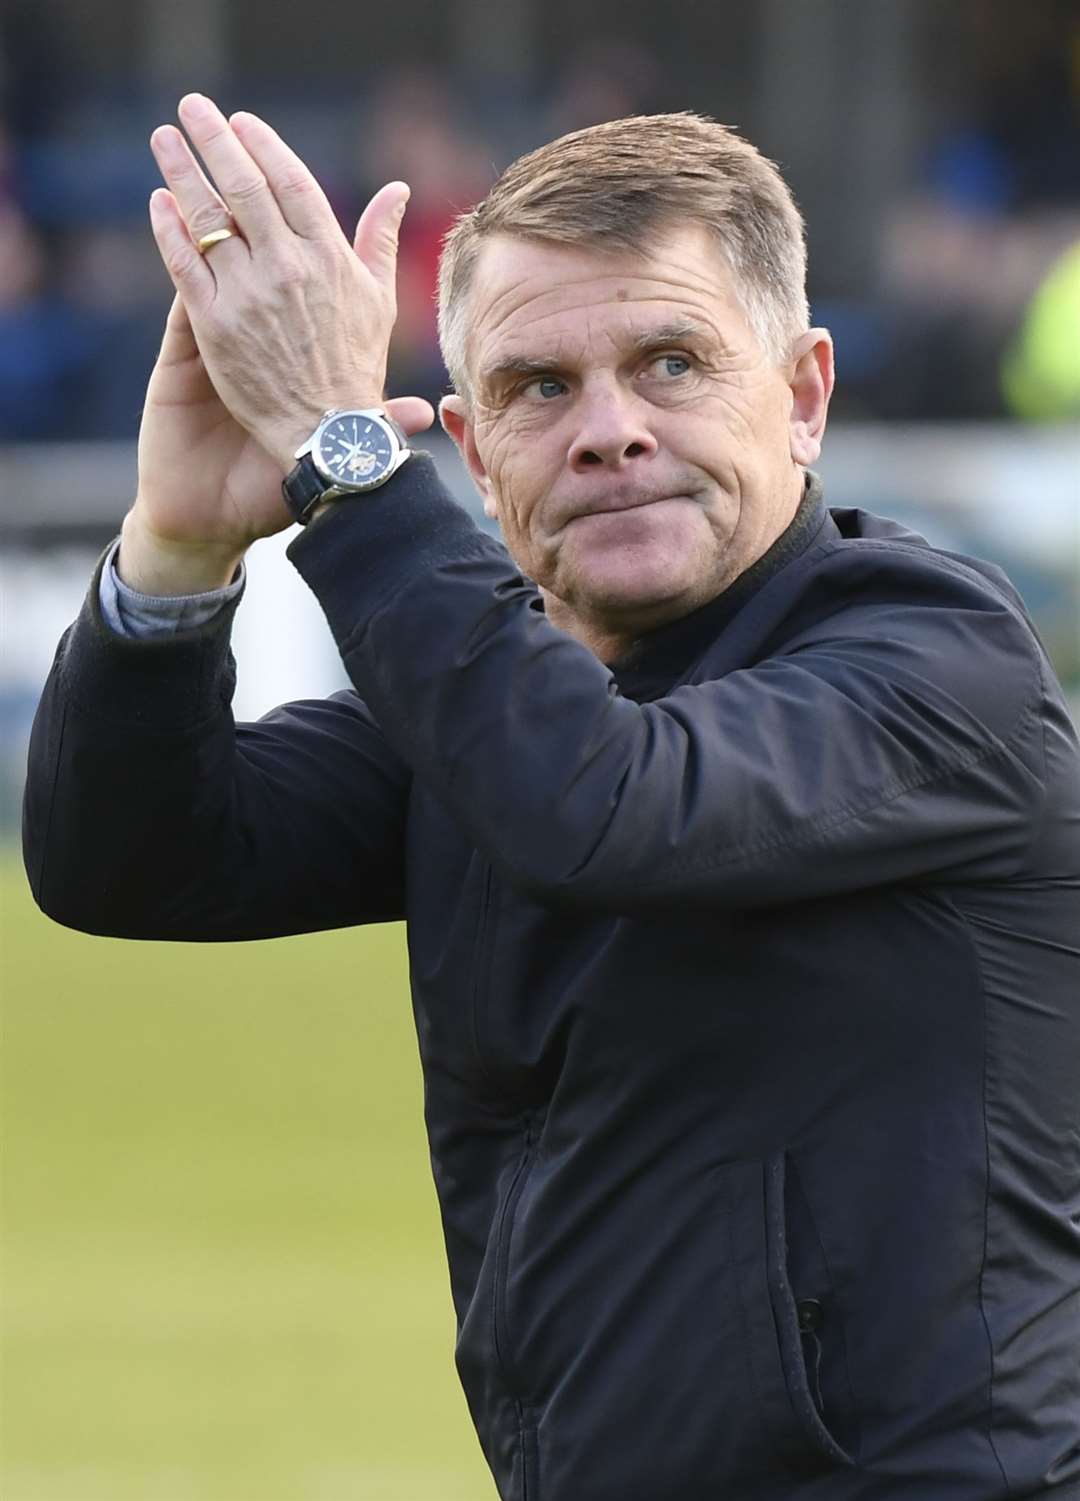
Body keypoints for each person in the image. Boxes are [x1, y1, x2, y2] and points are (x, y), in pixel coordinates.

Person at [22, 98, 1080, 1501]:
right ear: (467, 438)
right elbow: (132, 864)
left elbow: (605, 806)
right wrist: (176, 548)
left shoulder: (939, 654)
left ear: (806, 394)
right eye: (538, 387)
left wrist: (345, 464)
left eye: (672, 363)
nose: (610, 431)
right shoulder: (495, 703)